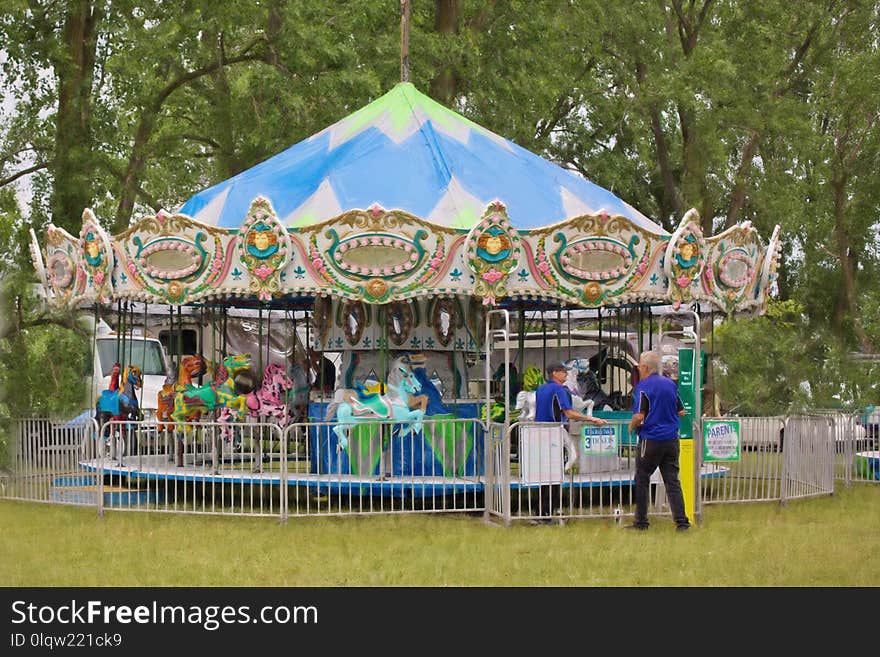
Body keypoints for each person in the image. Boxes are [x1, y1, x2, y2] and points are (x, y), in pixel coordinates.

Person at [532, 361, 608, 524]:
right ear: (554, 373)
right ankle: (546, 515)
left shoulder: (540, 388)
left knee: (543, 476)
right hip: (554, 435)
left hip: (540, 434)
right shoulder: (559, 390)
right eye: (563, 372)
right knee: (555, 476)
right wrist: (591, 418)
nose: (566, 374)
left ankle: (539, 513)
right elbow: (569, 413)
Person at [626, 350, 691, 531]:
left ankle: (641, 522)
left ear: (645, 367)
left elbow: (639, 415)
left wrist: (631, 426)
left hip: (651, 438)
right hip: (671, 439)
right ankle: (682, 522)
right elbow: (681, 411)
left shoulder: (643, 387)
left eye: (639, 365)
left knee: (642, 478)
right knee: (672, 481)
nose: (638, 368)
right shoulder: (670, 385)